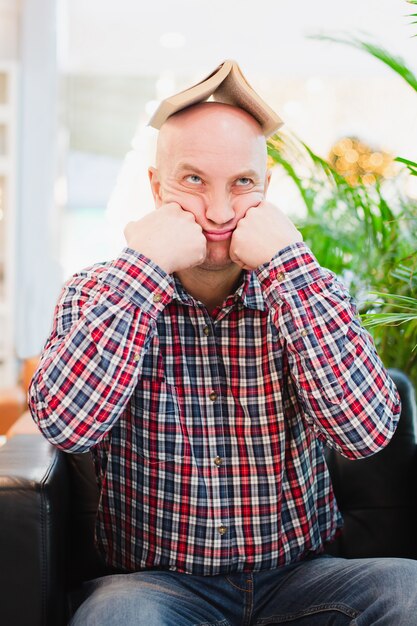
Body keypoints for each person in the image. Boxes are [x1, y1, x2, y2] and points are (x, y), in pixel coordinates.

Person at [29, 72, 417, 625]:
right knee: (116, 618)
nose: (217, 212)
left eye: (241, 183)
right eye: (192, 179)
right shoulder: (97, 293)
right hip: (155, 587)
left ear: (267, 188)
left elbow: (367, 433)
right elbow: (67, 427)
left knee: (410, 593)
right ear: (156, 185)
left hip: (302, 580)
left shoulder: (312, 289)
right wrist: (144, 271)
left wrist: (289, 269)